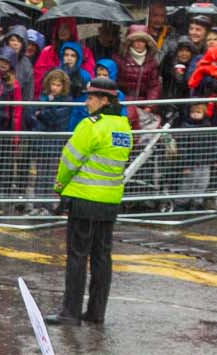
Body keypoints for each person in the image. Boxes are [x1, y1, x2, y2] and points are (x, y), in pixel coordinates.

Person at [47, 74, 130, 326]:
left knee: (77, 257)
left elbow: (70, 160)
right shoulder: (123, 127)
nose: (87, 103)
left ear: (104, 100)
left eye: (91, 97)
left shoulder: (90, 126)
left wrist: (59, 185)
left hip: (84, 199)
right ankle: (96, 312)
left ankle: (70, 311)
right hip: (109, 201)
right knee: (102, 257)